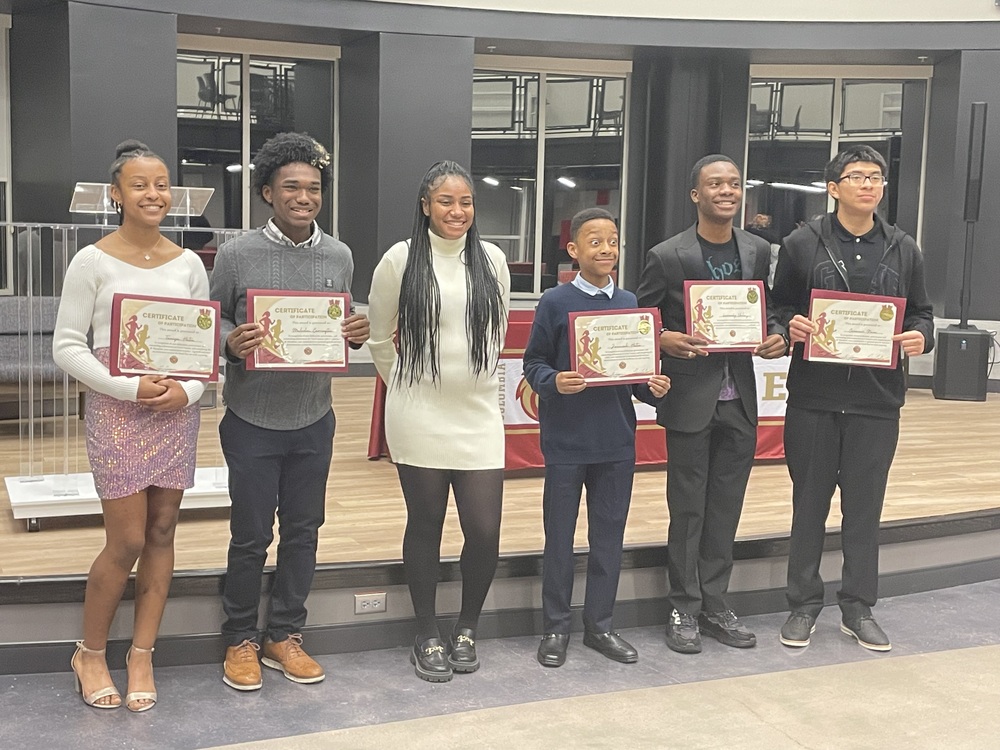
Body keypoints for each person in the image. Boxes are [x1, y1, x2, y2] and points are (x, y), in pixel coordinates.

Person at [54, 139, 210, 712]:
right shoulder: (92, 260)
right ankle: (89, 652)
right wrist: (127, 387)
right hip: (117, 411)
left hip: (175, 410)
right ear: (115, 193)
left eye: (162, 184)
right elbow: (67, 347)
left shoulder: (190, 263)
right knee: (125, 539)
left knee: (163, 532)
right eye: (140, 184)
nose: (154, 194)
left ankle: (141, 652)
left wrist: (189, 391)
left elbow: (204, 347)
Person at [211, 132, 370, 691]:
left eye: (314, 188)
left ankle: (284, 634)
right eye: (291, 187)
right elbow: (212, 321)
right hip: (252, 418)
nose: (305, 197)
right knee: (250, 534)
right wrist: (232, 339)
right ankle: (239, 639)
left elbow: (341, 320)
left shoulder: (339, 255)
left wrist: (355, 331)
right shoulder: (235, 254)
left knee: (304, 531)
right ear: (266, 193)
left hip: (314, 418)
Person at [771, 145, 933, 652]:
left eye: (876, 177)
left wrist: (919, 338)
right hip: (813, 399)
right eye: (856, 176)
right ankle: (802, 605)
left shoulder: (904, 247)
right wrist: (789, 325)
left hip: (877, 401)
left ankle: (858, 608)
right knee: (808, 506)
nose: (868, 184)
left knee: (865, 510)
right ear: (833, 187)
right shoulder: (802, 242)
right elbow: (780, 307)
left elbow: (922, 314)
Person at [636, 154, 787, 655]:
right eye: (715, 184)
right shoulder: (668, 255)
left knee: (725, 509)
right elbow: (640, 322)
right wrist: (665, 340)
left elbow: (772, 312)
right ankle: (682, 604)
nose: (726, 191)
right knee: (688, 510)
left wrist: (776, 336)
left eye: (734, 184)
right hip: (690, 401)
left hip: (740, 399)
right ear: (696, 195)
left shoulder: (760, 249)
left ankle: (716, 603)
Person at [367, 160, 510, 683]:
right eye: (446, 201)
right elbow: (380, 337)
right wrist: (406, 383)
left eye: (466, 201)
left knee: (484, 528)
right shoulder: (400, 259)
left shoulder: (492, 259)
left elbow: (497, 335)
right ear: (426, 205)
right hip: (419, 415)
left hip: (476, 415)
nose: (457, 210)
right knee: (425, 525)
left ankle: (467, 627)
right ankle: (427, 632)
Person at [523, 207, 671, 668]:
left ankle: (600, 626)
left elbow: (631, 375)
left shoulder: (630, 303)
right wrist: (553, 382)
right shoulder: (554, 301)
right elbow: (533, 363)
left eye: (612, 241)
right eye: (594, 241)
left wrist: (652, 387)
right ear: (573, 250)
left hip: (616, 441)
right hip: (566, 441)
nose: (606, 249)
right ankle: (555, 627)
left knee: (609, 538)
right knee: (560, 539)